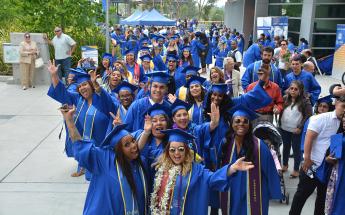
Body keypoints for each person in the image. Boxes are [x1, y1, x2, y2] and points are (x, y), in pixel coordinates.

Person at [61, 107, 149, 215]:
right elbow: (80, 147)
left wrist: (146, 132)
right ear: (118, 150)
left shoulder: (140, 163)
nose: (134, 146)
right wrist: (69, 120)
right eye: (127, 145)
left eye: (133, 140)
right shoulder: (104, 159)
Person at [149, 128, 255, 215]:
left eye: (181, 149)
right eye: (172, 150)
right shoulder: (161, 169)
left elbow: (212, 178)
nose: (176, 153)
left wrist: (231, 168)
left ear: (186, 150)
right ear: (167, 151)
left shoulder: (196, 170)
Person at [217, 104, 282, 215]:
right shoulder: (225, 143)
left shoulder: (259, 146)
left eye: (245, 121)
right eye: (237, 121)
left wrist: (274, 190)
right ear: (231, 124)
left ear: (249, 125)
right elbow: (218, 165)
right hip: (231, 189)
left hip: (253, 190)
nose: (241, 124)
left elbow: (270, 168)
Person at [289, 96, 345, 215]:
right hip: (313, 165)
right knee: (302, 195)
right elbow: (309, 138)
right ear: (336, 104)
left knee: (322, 199)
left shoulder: (344, 123)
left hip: (330, 167)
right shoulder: (321, 118)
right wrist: (307, 159)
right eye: (343, 107)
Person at [279, 80, 312, 178]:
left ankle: (296, 169)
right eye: (291, 88)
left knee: (296, 150)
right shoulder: (285, 99)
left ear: (300, 91)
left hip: (296, 131)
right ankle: (285, 165)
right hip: (284, 128)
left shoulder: (305, 102)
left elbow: (308, 116)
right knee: (285, 147)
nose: (293, 91)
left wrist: (300, 127)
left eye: (295, 89)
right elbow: (280, 108)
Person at [324, 114, 345, 215]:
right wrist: (328, 158)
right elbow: (330, 155)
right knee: (336, 199)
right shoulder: (339, 136)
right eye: (344, 120)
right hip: (338, 170)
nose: (344, 122)